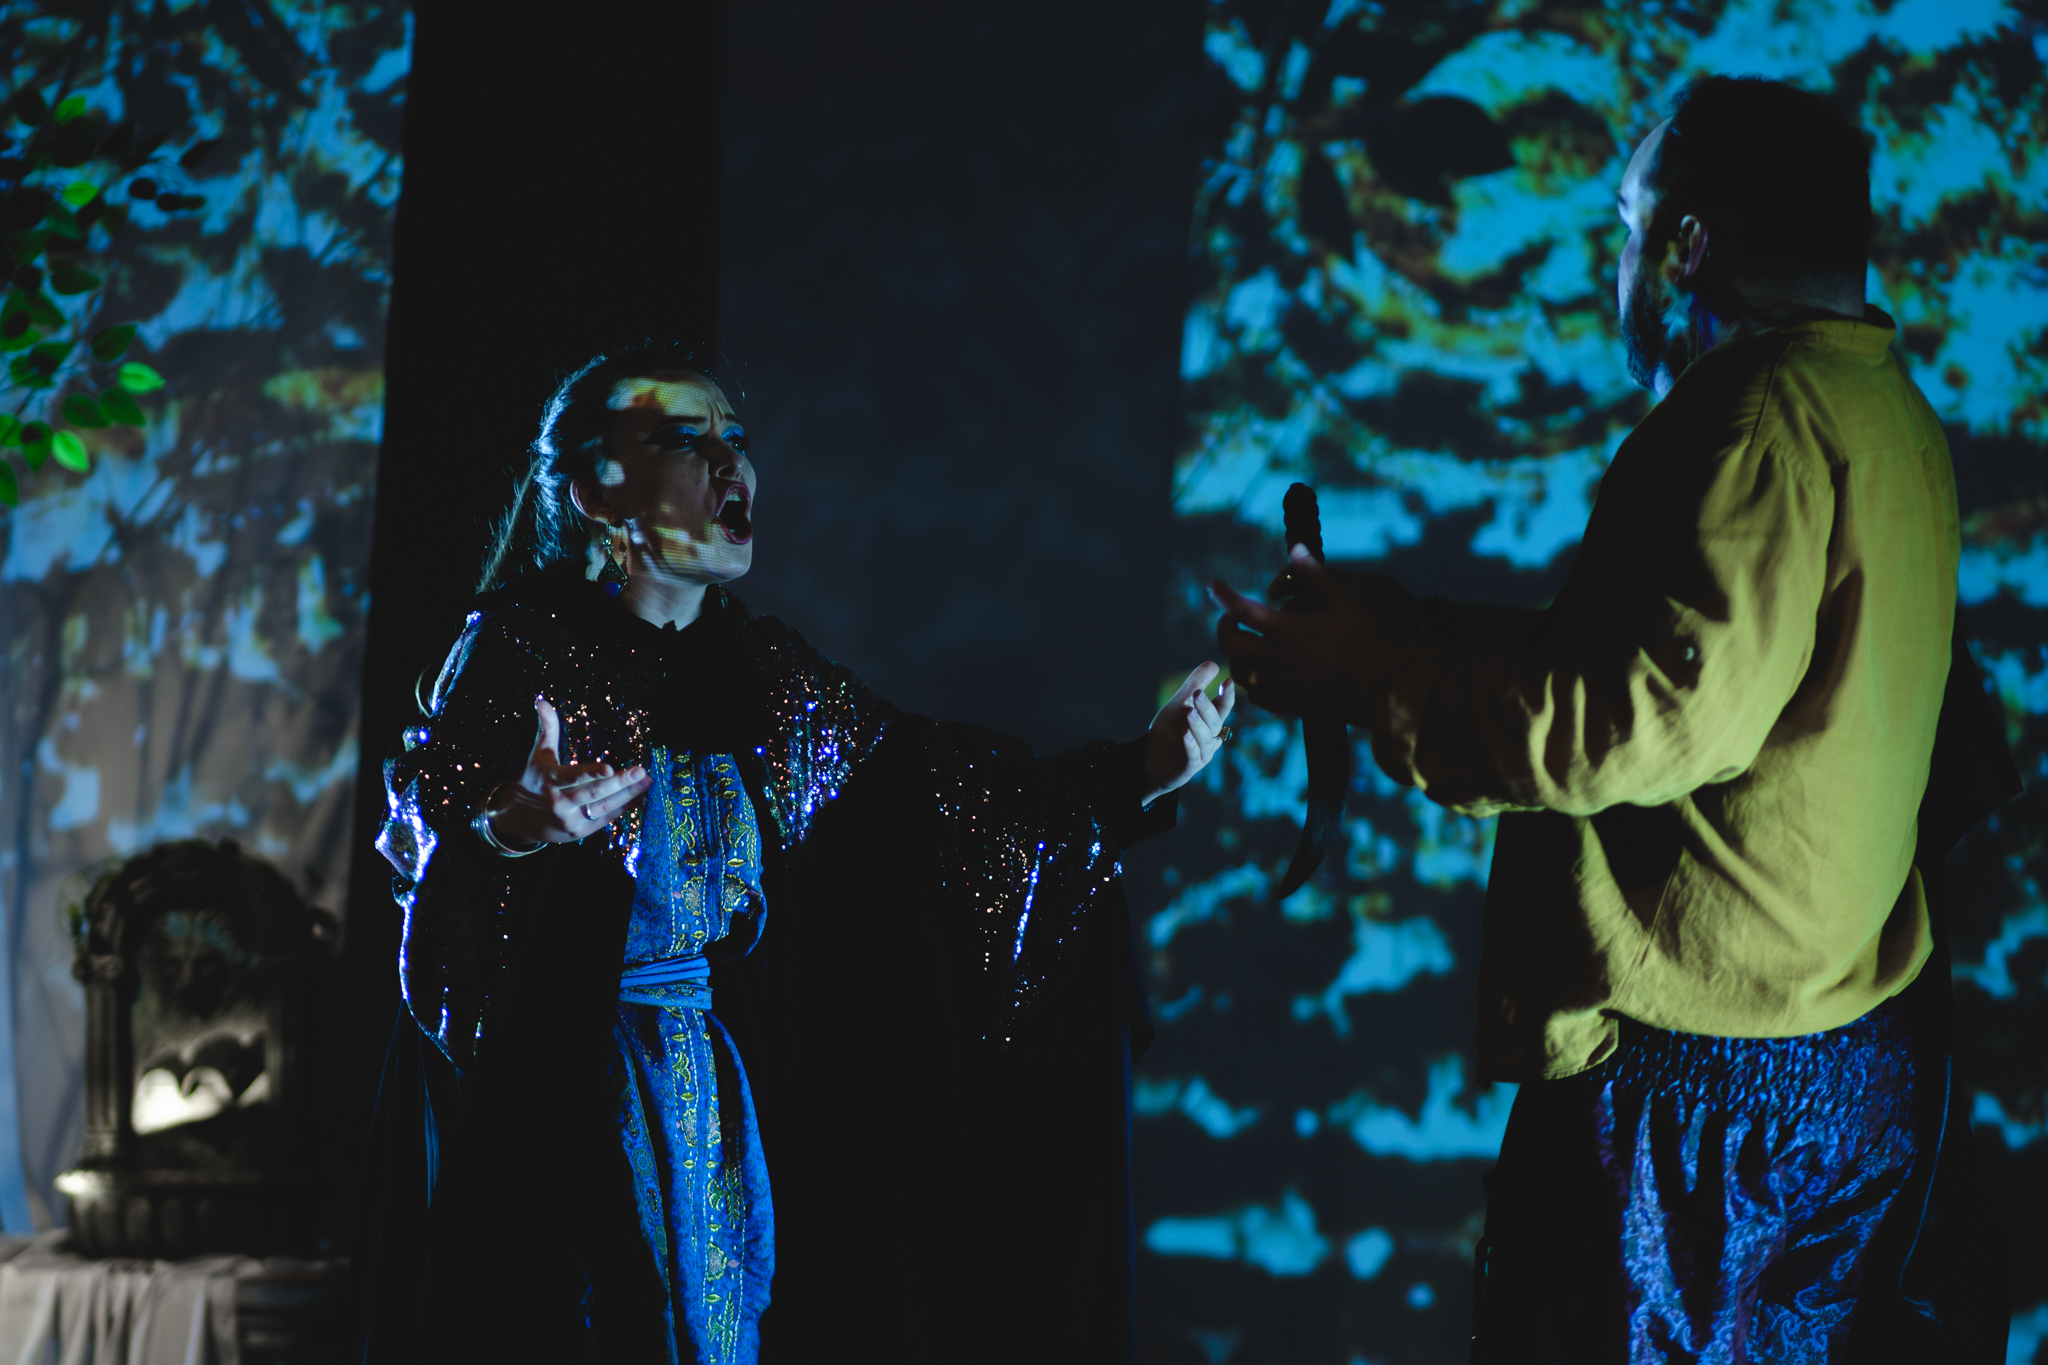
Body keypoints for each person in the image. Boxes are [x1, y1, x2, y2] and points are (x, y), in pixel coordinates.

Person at [1212, 77, 2014, 1362]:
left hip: (1701, 1100)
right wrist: (1400, 627)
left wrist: (1372, 680)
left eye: (1630, 223)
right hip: (1839, 1056)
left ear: (1687, 245)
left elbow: (1632, 718)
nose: (1618, 258)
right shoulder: (1880, 410)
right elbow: (1670, 662)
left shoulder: (1755, 420)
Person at [352, 343, 1234, 1364]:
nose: (733, 464)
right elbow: (425, 848)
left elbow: (936, 795)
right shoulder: (521, 649)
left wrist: (1136, 772)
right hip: (557, 1103)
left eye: (737, 438)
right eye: (688, 441)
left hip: (719, 1099)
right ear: (599, 491)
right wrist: (508, 831)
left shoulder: (763, 673)